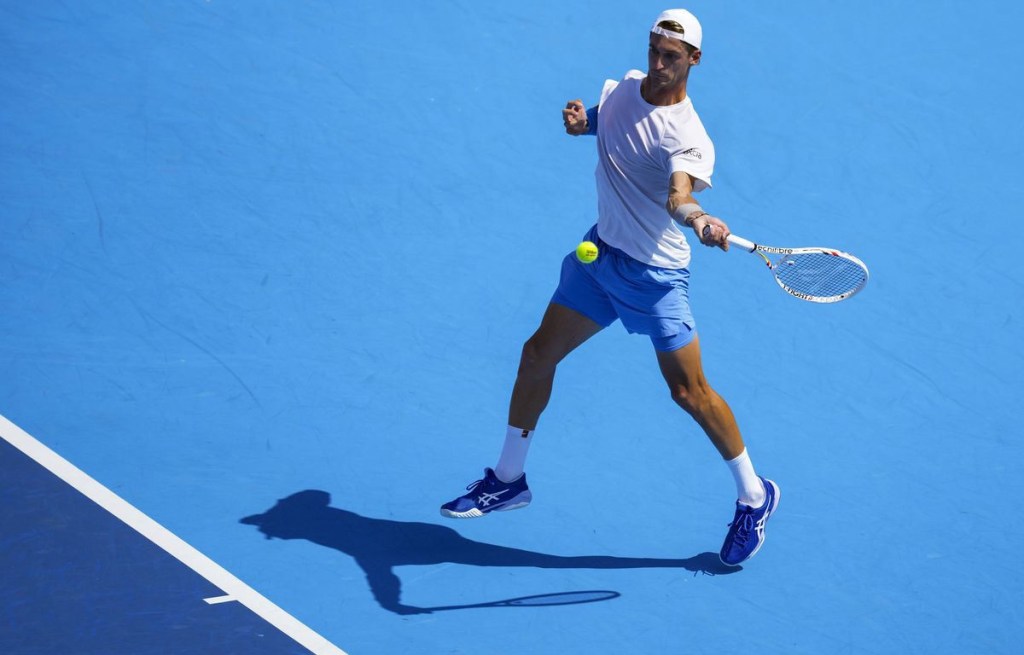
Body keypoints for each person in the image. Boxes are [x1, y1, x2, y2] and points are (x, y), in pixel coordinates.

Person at [440, 9, 779, 567]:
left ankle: (754, 495)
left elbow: (679, 195)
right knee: (536, 355)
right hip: (599, 261)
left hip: (655, 278)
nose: (659, 63)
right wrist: (584, 123)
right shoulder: (625, 89)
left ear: (694, 60)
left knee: (689, 393)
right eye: (654, 50)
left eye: (671, 56)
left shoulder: (689, 137)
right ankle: (508, 478)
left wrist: (698, 219)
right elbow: (613, 121)